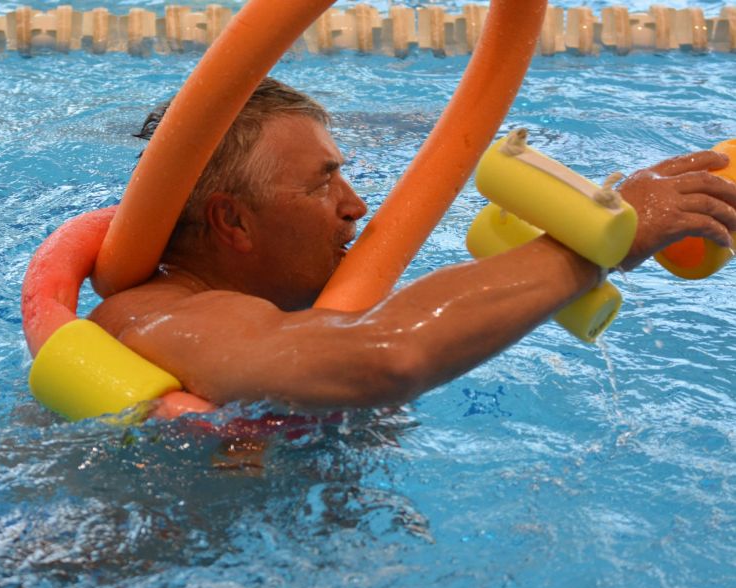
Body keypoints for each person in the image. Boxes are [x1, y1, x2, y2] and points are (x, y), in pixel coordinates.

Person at [89, 78, 736, 410]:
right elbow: (387, 357)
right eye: (322, 182)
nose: (356, 205)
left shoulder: (272, 311)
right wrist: (598, 244)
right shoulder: (159, 320)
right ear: (233, 222)